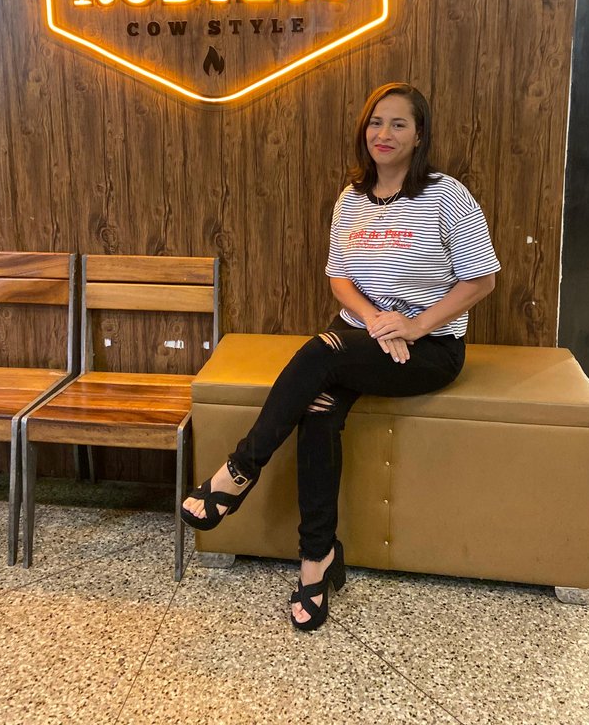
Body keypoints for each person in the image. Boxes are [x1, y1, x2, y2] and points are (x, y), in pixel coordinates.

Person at [181, 82, 500, 631]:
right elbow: (339, 278)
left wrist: (414, 325)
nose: (384, 133)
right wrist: (377, 321)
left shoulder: (446, 195)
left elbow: (482, 279)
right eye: (376, 122)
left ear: (419, 135)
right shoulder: (351, 197)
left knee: (321, 353)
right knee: (320, 409)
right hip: (362, 335)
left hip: (429, 348)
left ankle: (240, 470)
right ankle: (318, 558)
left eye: (398, 124)